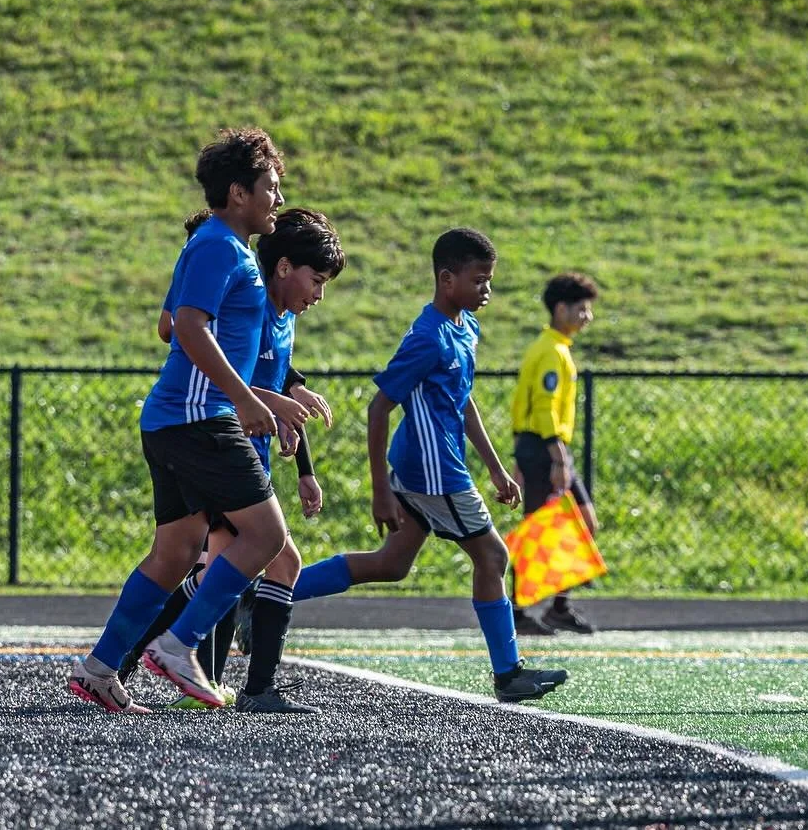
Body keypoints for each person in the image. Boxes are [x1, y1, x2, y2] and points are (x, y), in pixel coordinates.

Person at [66, 127, 310, 713]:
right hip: (201, 420)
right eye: (270, 188)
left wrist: (262, 395)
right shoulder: (217, 246)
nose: (277, 198)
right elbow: (190, 328)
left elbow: (179, 332)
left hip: (178, 416)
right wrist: (245, 401)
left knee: (176, 552)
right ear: (237, 193)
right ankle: (179, 646)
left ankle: (101, 667)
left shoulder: (218, 246)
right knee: (267, 537)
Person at [290, 228, 568, 703]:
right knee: (493, 557)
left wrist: (496, 467)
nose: (487, 291)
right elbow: (380, 408)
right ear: (446, 280)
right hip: (434, 473)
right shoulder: (428, 337)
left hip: (428, 468)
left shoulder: (465, 328)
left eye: (489, 281)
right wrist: (380, 491)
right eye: (479, 281)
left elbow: (461, 403)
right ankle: (508, 673)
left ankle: (270, 593)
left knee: (391, 564)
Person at [118, 208, 345, 713]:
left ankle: (141, 663)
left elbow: (275, 384)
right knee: (269, 561)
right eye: (317, 281)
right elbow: (214, 369)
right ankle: (238, 683)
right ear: (284, 267)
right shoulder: (252, 303)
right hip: (216, 449)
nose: (319, 295)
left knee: (215, 570)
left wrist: (303, 463)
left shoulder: (281, 318)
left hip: (247, 453)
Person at [509, 272, 602, 635]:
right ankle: (516, 610)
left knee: (583, 521)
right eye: (581, 309)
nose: (587, 317)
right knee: (536, 529)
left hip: (543, 446)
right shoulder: (550, 351)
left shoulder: (555, 348)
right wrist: (557, 458)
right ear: (560, 309)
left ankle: (559, 606)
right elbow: (543, 408)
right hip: (546, 448)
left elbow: (524, 403)